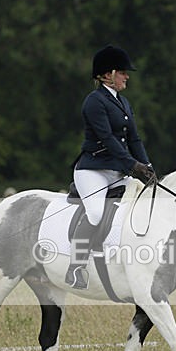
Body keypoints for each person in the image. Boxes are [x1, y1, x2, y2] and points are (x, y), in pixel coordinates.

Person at [66, 45, 156, 289]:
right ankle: (75, 268)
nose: (127, 76)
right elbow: (108, 139)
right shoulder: (94, 102)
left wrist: (147, 166)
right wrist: (132, 165)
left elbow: (134, 139)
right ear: (107, 74)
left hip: (117, 172)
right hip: (93, 171)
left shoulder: (124, 103)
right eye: (123, 72)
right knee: (95, 214)